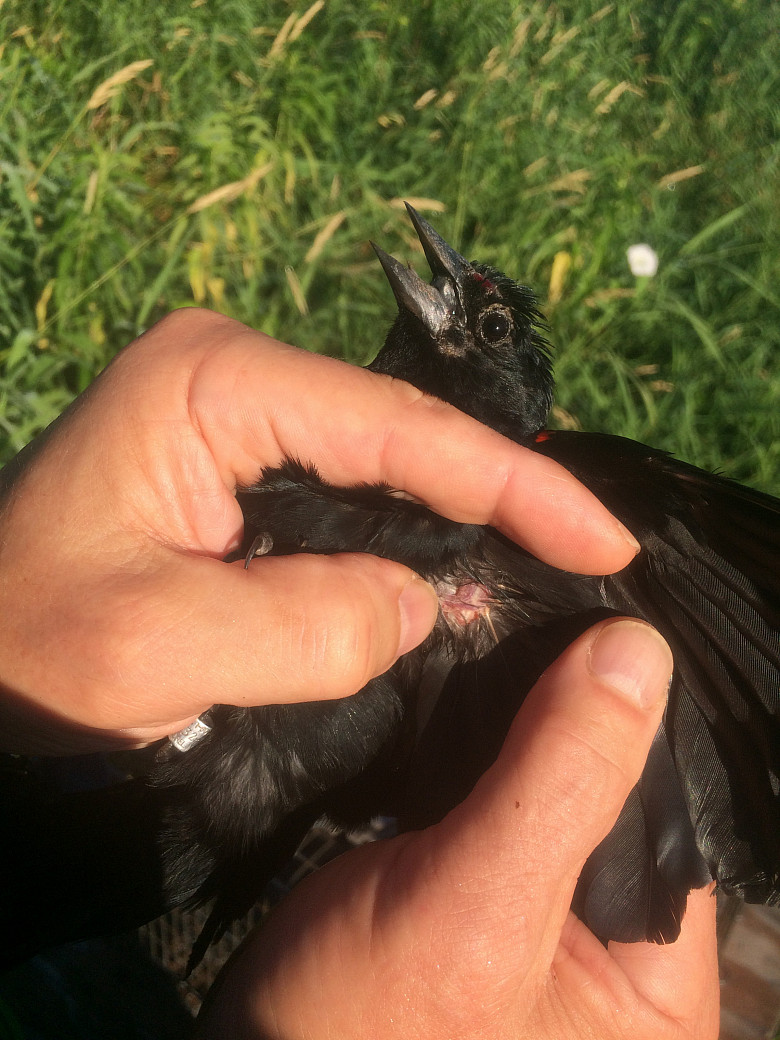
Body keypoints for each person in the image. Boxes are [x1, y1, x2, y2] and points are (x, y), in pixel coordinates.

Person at [0, 308, 719, 1037]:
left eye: (490, 327)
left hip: (229, 802)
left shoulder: (521, 523)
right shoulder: (416, 476)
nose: (441, 303)